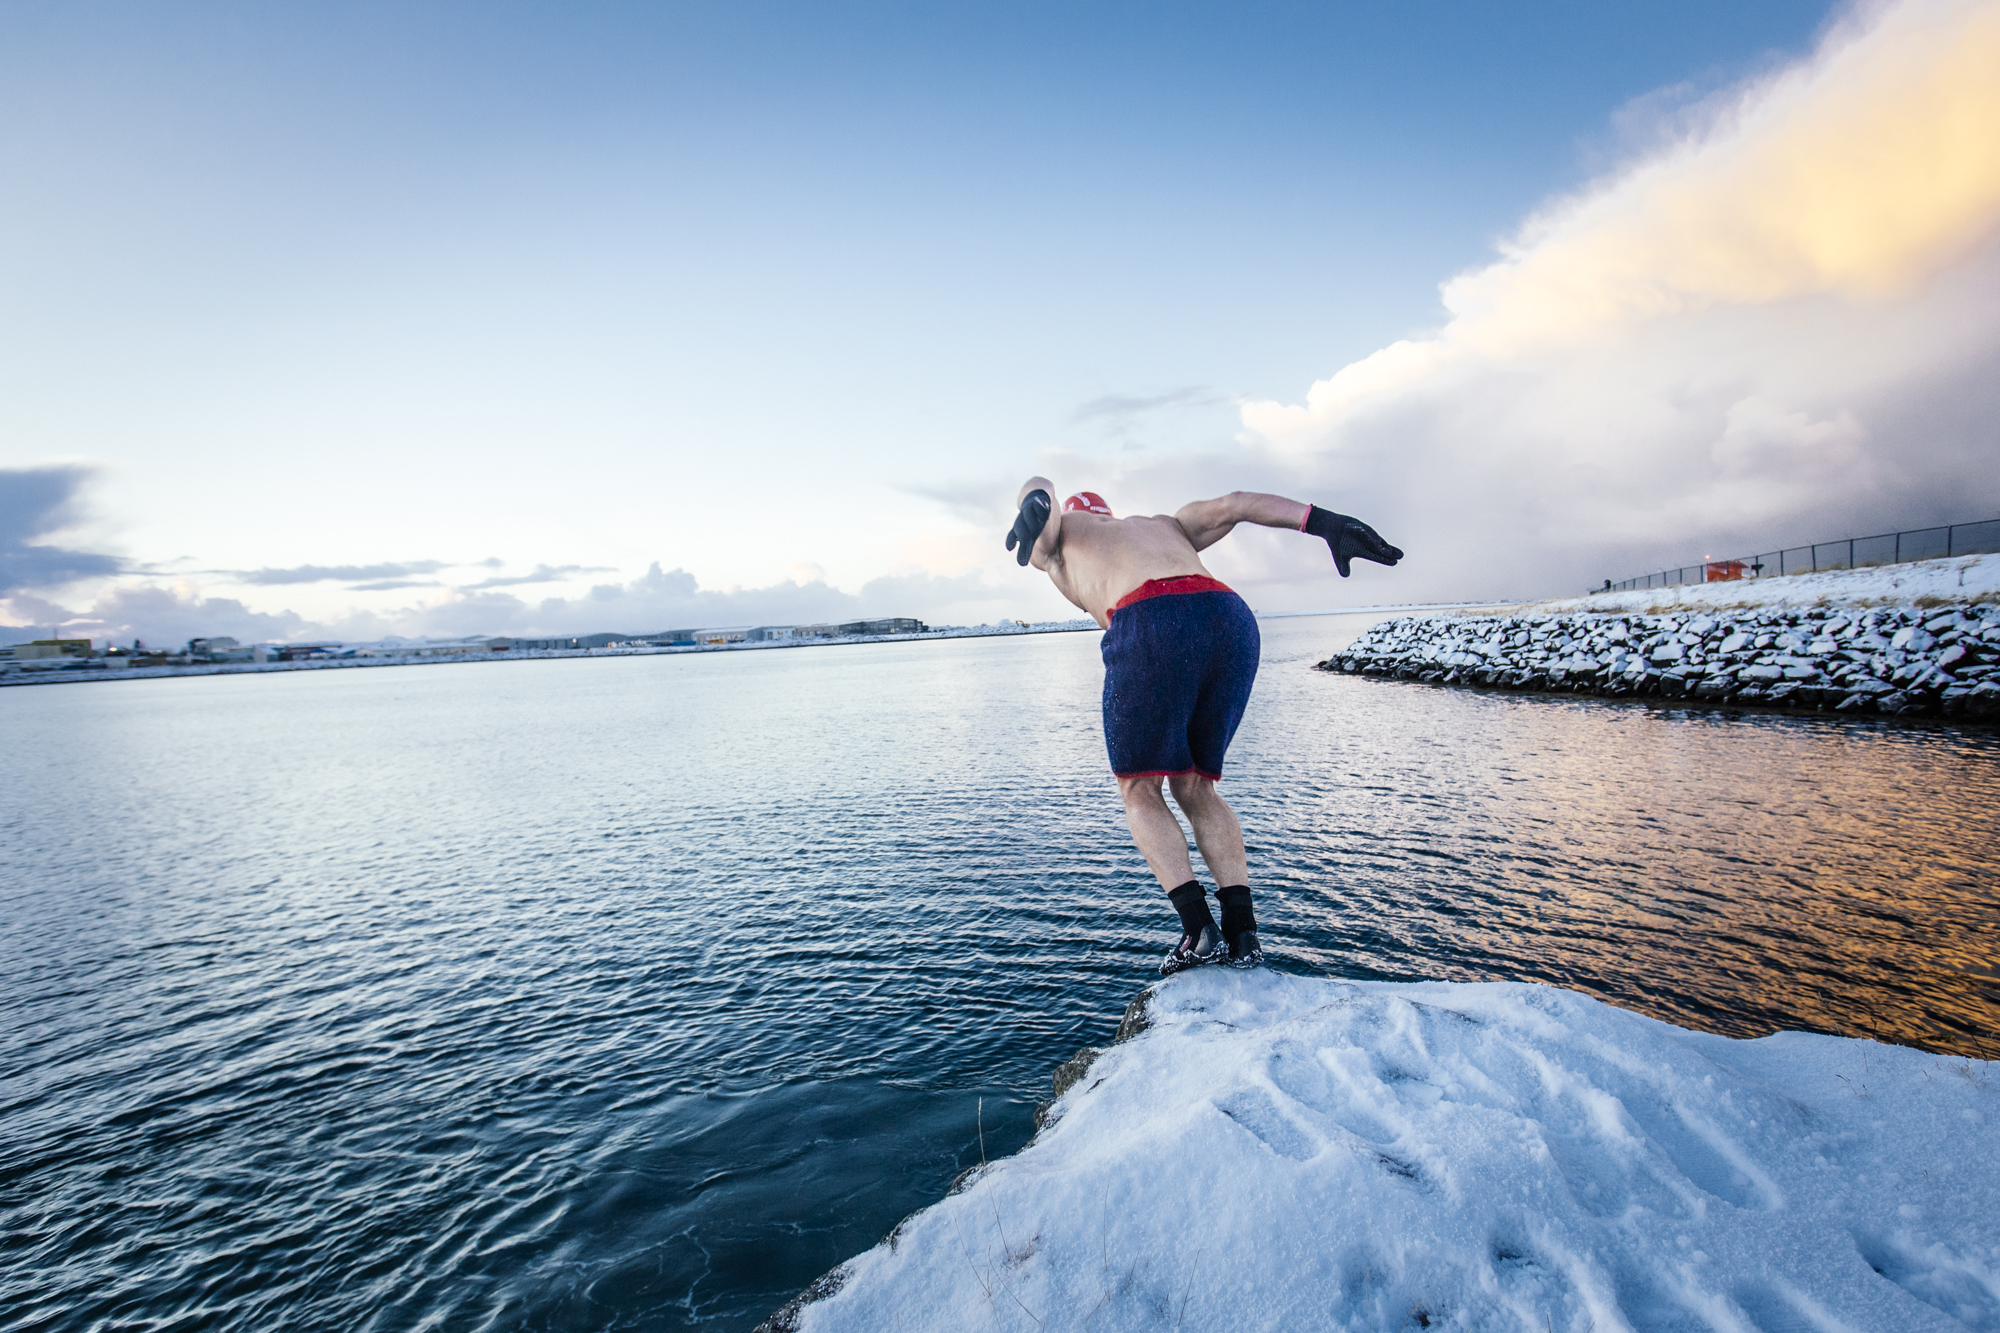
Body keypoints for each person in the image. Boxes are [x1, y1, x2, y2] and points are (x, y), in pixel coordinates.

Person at [1006, 480, 1402, 974]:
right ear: (1113, 513)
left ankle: (1199, 932)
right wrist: (1327, 524)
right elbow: (1235, 505)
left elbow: (1042, 507)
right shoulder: (1164, 525)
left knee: (1140, 790)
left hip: (1153, 616)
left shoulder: (1062, 541)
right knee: (1196, 786)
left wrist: (1035, 496)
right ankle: (1243, 935)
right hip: (1230, 619)